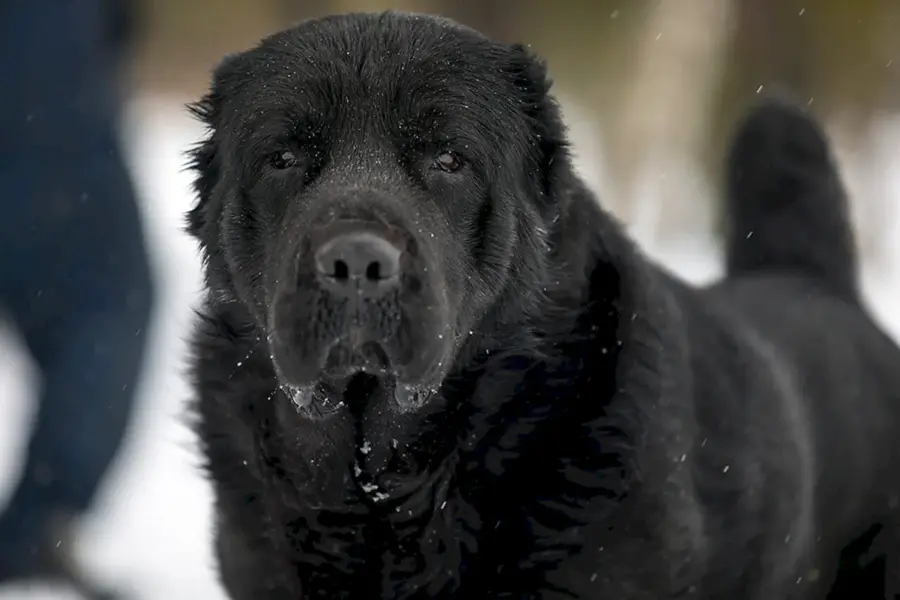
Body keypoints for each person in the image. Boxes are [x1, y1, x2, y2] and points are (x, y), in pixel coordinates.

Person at [0, 0, 154, 597]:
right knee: (107, 310)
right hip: (52, 126)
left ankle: (39, 525)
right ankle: (40, 522)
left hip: (54, 113)